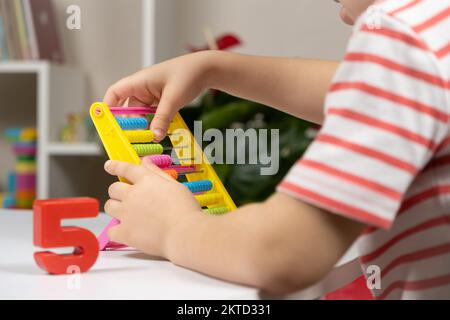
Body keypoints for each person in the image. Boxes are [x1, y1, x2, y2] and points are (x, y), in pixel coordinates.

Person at [102, 0, 450, 299]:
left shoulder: (404, 36)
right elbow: (358, 89)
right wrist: (213, 67)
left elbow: (284, 252)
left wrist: (175, 228)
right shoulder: (433, 31)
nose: (342, 14)